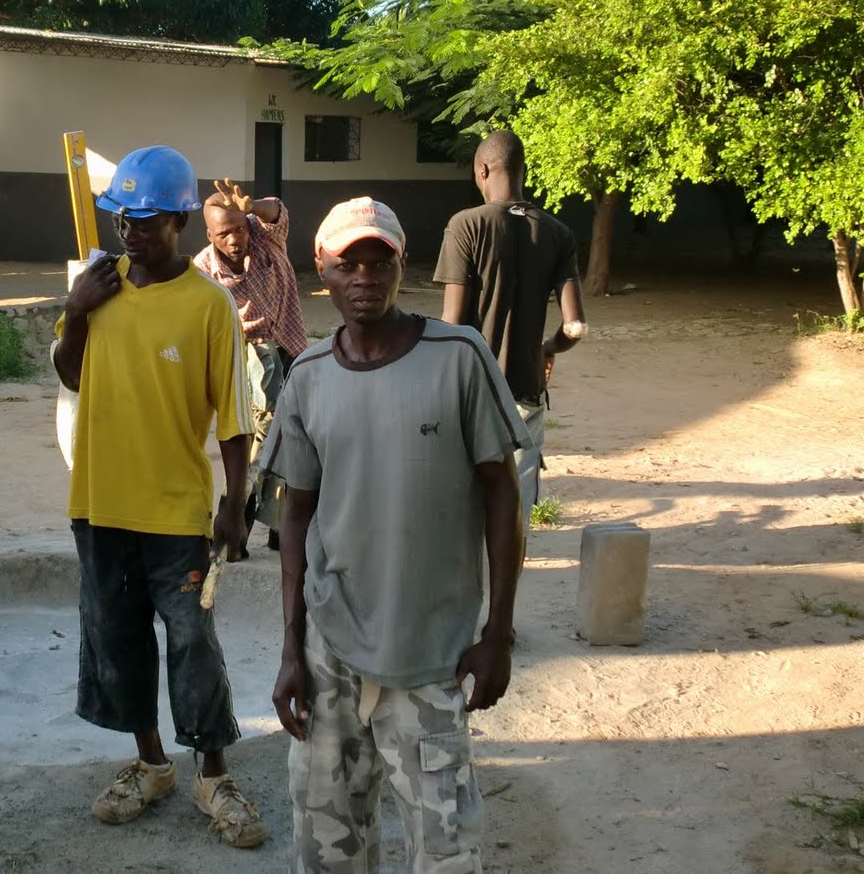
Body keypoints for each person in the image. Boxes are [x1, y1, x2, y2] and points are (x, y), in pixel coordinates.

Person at [263, 197, 528, 873]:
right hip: (330, 654)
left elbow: (502, 493)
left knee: (445, 852)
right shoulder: (308, 376)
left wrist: (497, 634)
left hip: (430, 654)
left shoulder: (458, 357)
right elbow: (296, 514)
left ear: (401, 266)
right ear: (321, 269)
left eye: (378, 262)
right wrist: (292, 649)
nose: (364, 278)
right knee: (328, 846)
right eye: (347, 263)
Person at [52, 144, 268, 850]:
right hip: (98, 504)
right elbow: (71, 375)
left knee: (192, 642)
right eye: (122, 220)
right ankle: (151, 764)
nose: (130, 233)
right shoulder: (98, 286)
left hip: (175, 511)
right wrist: (77, 311)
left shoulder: (208, 305)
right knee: (116, 639)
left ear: (180, 220)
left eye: (145, 221)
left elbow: (234, 415)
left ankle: (213, 774)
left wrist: (234, 503)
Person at [435, 129, 586, 515]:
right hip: (525, 396)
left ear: (482, 170)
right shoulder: (558, 233)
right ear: (523, 171)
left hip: (473, 395)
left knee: (465, 511)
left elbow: (452, 325)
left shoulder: (466, 225)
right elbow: (575, 326)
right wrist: (549, 348)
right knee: (514, 514)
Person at [193, 177, 308, 552]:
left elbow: (277, 212)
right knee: (267, 436)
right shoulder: (203, 272)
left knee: (293, 439)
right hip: (249, 358)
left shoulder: (265, 236)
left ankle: (274, 528)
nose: (234, 239)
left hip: (291, 345)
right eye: (224, 233)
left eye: (239, 228)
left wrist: (252, 207)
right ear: (209, 235)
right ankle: (236, 522)